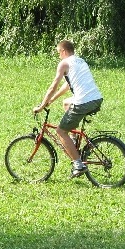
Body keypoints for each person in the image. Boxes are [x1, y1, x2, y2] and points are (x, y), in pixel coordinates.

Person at [33, 40, 104, 178]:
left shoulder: (64, 63)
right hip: (96, 99)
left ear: (64, 51)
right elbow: (66, 86)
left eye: (59, 53)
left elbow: (53, 86)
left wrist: (42, 106)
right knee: (66, 103)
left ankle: (78, 164)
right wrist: (52, 100)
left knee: (60, 131)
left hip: (83, 101)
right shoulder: (80, 61)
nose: (59, 56)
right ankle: (73, 138)